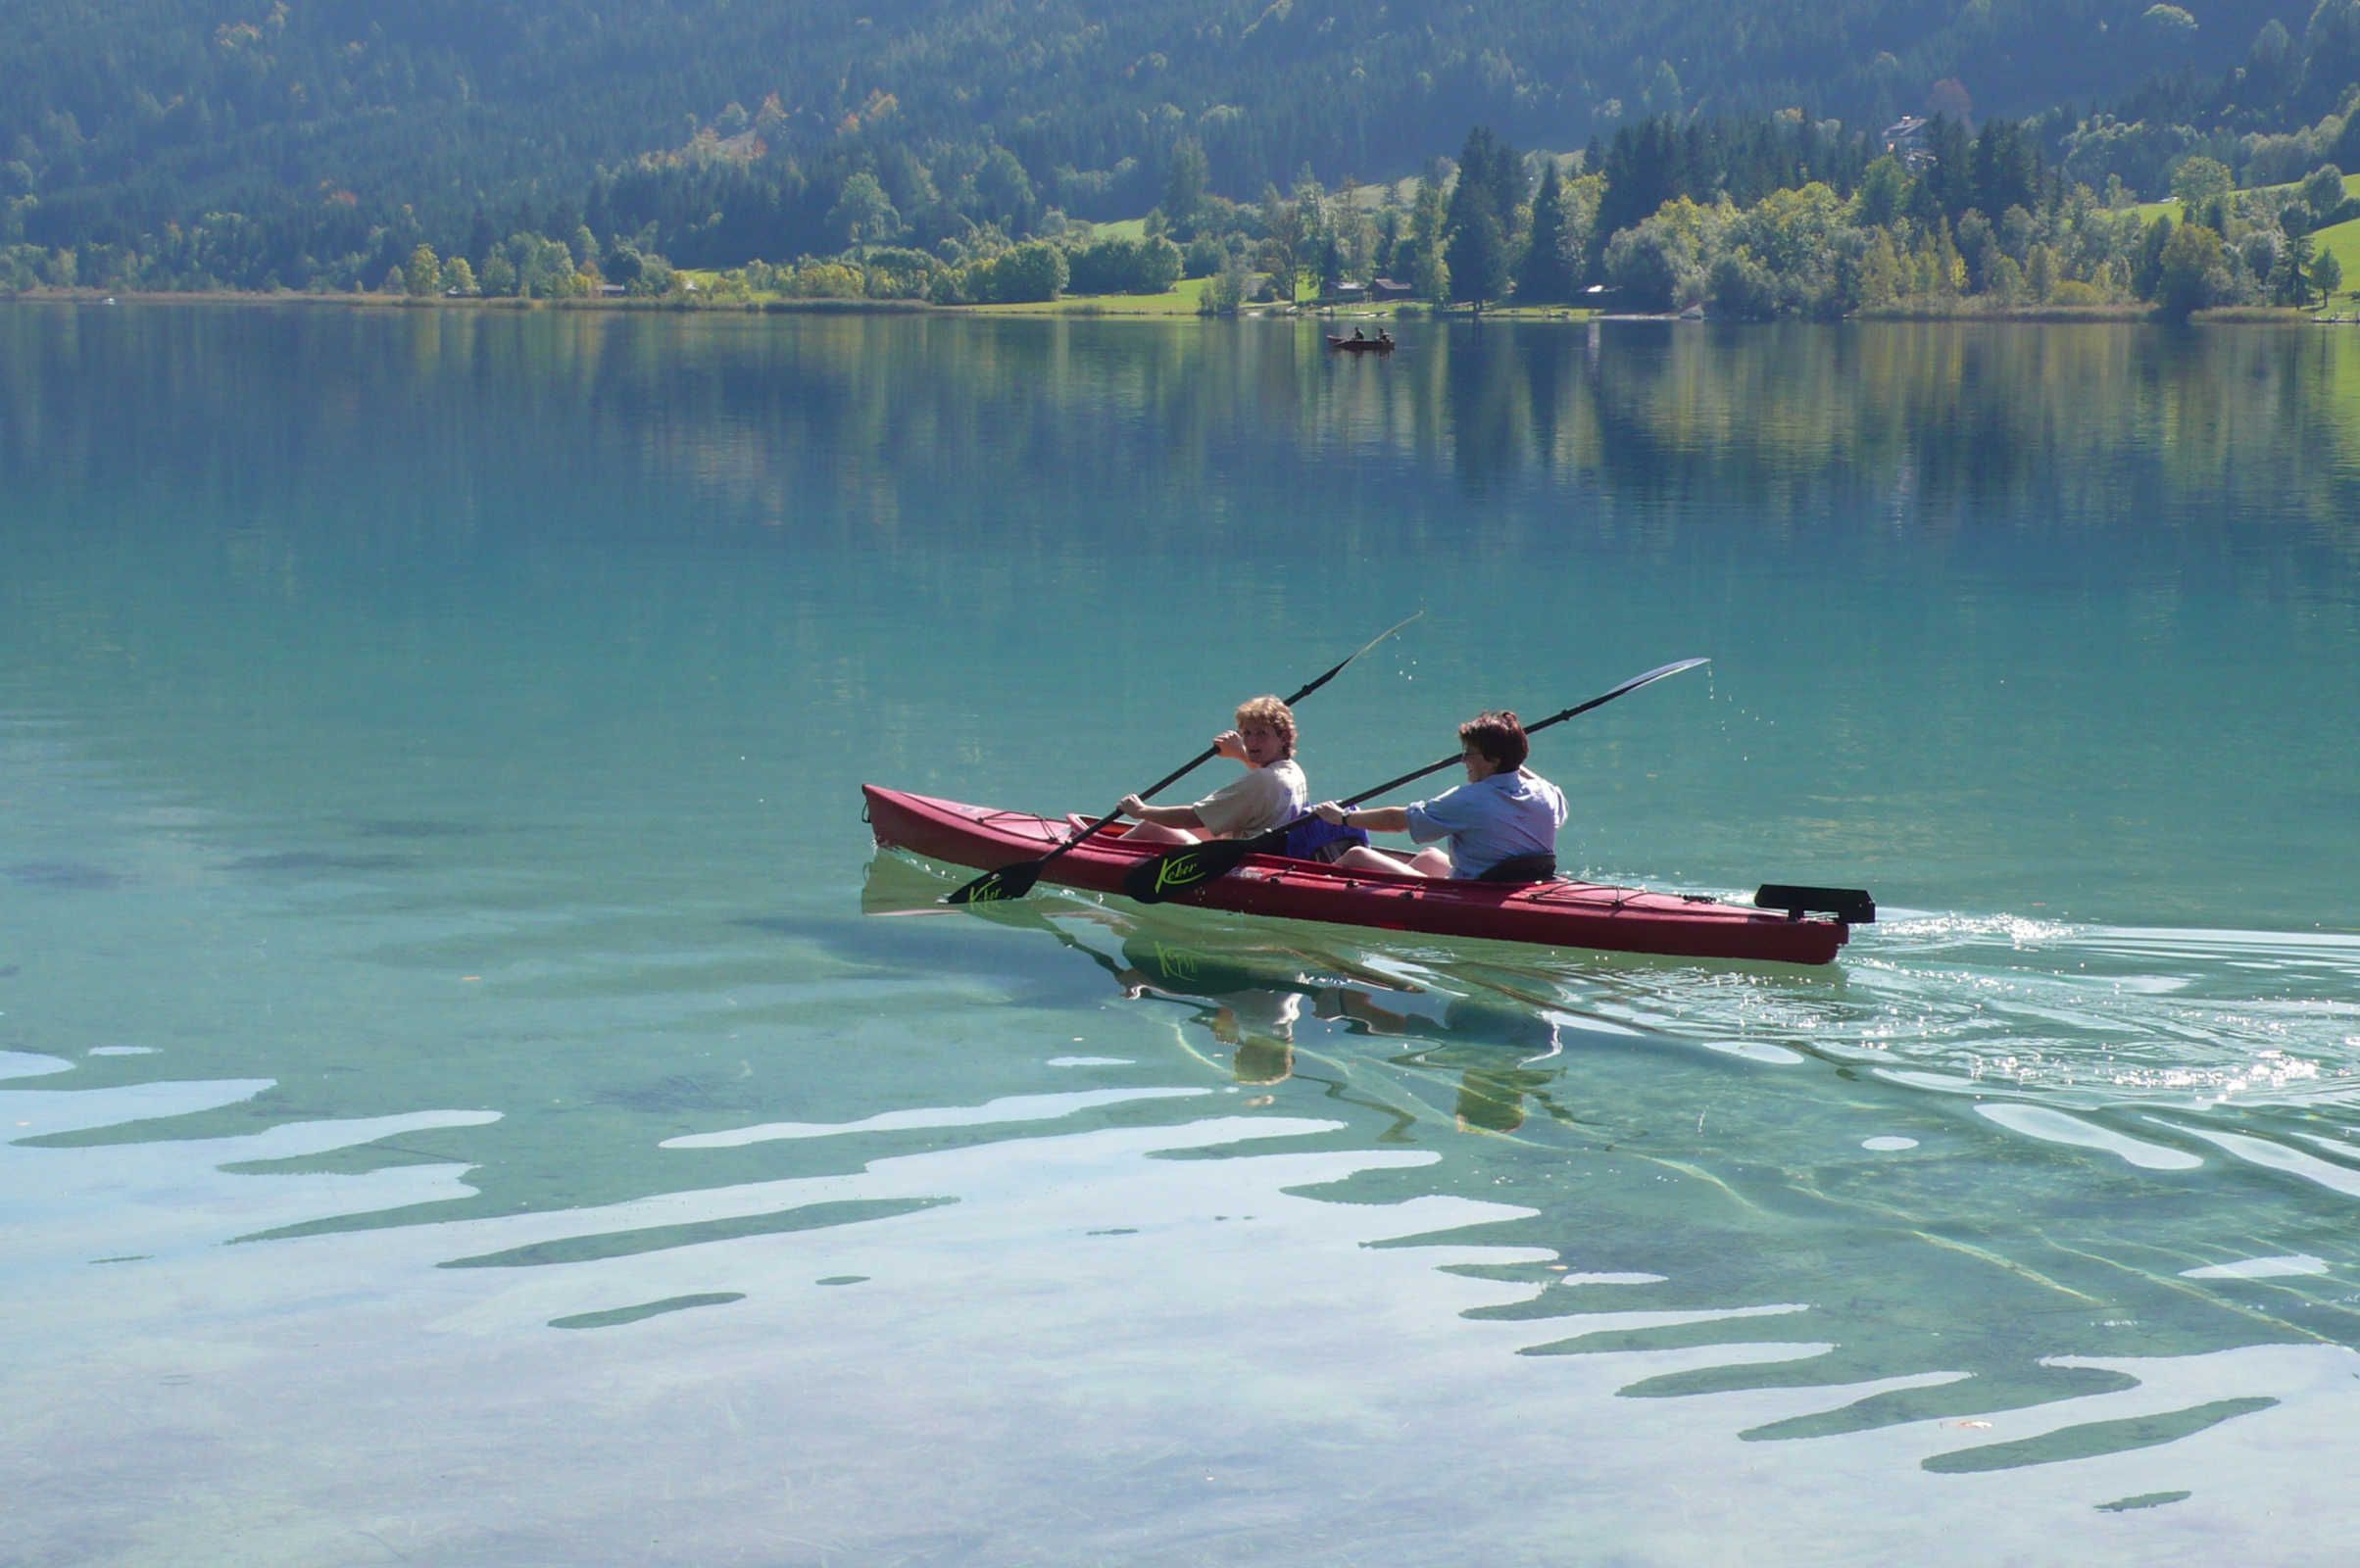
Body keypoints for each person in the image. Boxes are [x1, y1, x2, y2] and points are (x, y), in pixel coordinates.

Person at [1310, 709, 1566, 881]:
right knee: (1429, 857)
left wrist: (1343, 818)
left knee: (1356, 856)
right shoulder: (1546, 792)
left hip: (1476, 891)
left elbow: (1399, 822)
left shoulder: (1469, 800)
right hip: (1516, 881)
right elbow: (1520, 773)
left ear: (1494, 760)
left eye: (1470, 753)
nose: (1463, 760)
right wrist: (1512, 756)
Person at [1117, 696, 1309, 846]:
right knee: (1212, 826)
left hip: (1232, 863)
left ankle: (1103, 859)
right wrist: (1241, 754)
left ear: (1283, 738)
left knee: (1151, 826)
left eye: (1262, 734)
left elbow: (1192, 817)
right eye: (1247, 733)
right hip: (1261, 848)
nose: (1251, 742)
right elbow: (1268, 780)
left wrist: (1141, 810)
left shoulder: (1261, 780)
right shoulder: (1293, 771)